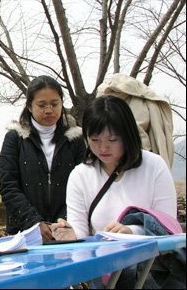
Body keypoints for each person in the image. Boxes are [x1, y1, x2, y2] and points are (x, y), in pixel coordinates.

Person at [51, 95, 177, 240]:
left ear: (128, 135)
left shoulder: (154, 166)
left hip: (150, 260)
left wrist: (132, 231)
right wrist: (70, 233)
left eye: (112, 139)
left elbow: (168, 225)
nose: (103, 147)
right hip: (105, 260)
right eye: (95, 139)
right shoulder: (80, 175)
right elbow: (80, 229)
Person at [0, 75, 86, 242]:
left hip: (66, 232)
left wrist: (62, 222)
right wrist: (33, 222)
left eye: (54, 104)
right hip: (24, 234)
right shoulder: (15, 139)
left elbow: (85, 185)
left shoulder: (75, 140)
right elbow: (8, 185)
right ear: (30, 106)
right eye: (42, 105)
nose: (49, 110)